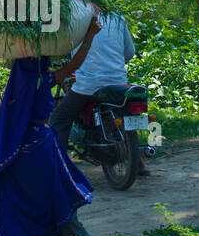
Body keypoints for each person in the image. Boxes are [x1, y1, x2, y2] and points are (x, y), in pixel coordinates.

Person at [0, 15, 101, 236]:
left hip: (17, 152)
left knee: (12, 196)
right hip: (41, 148)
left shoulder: (17, 85)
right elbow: (75, 64)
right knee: (60, 191)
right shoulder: (42, 79)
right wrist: (89, 37)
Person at [49, 10, 149, 175]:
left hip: (89, 86)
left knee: (59, 119)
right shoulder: (118, 18)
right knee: (124, 115)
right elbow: (129, 53)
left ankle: (58, 169)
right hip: (118, 83)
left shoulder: (77, 19)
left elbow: (66, 47)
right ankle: (139, 165)